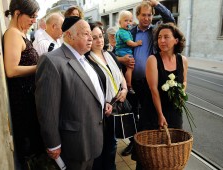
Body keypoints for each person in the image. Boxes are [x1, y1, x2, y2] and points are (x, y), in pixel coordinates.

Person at [35, 16, 112, 170]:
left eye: (91, 33)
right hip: (74, 145)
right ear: (69, 36)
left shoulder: (85, 58)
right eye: (85, 34)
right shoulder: (52, 61)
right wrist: (53, 144)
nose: (91, 37)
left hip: (91, 137)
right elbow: (47, 109)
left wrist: (103, 103)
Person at [118, 0, 175, 157]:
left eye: (150, 15)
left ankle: (143, 144)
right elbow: (117, 51)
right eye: (143, 15)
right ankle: (132, 142)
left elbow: (170, 19)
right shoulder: (129, 32)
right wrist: (122, 60)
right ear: (137, 16)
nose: (147, 18)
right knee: (131, 113)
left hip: (149, 83)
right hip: (131, 83)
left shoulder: (155, 32)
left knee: (146, 115)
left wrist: (156, 4)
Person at [136, 22, 187, 169]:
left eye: (166, 37)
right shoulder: (153, 60)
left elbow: (184, 81)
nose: (162, 41)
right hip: (153, 111)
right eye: (159, 37)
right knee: (150, 156)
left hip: (174, 111)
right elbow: (153, 89)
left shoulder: (182, 60)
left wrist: (180, 94)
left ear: (176, 40)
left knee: (171, 154)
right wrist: (160, 114)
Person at [3, 0, 47, 169]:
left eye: (36, 17)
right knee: (30, 148)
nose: (34, 21)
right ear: (17, 13)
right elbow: (11, 70)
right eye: (31, 16)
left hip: (28, 98)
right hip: (23, 103)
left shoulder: (20, 32)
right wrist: (40, 66)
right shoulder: (13, 34)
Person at [85, 23, 128, 170]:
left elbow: (120, 74)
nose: (99, 40)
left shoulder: (109, 55)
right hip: (101, 111)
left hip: (115, 108)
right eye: (94, 37)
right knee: (99, 150)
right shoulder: (86, 61)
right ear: (88, 40)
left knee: (111, 145)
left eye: (100, 36)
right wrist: (104, 103)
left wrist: (125, 89)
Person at [115, 10, 142, 94]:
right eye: (126, 21)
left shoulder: (123, 31)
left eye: (130, 20)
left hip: (121, 52)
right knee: (130, 68)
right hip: (124, 53)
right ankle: (129, 85)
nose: (128, 23)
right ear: (120, 22)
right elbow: (129, 43)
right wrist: (137, 43)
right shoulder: (123, 32)